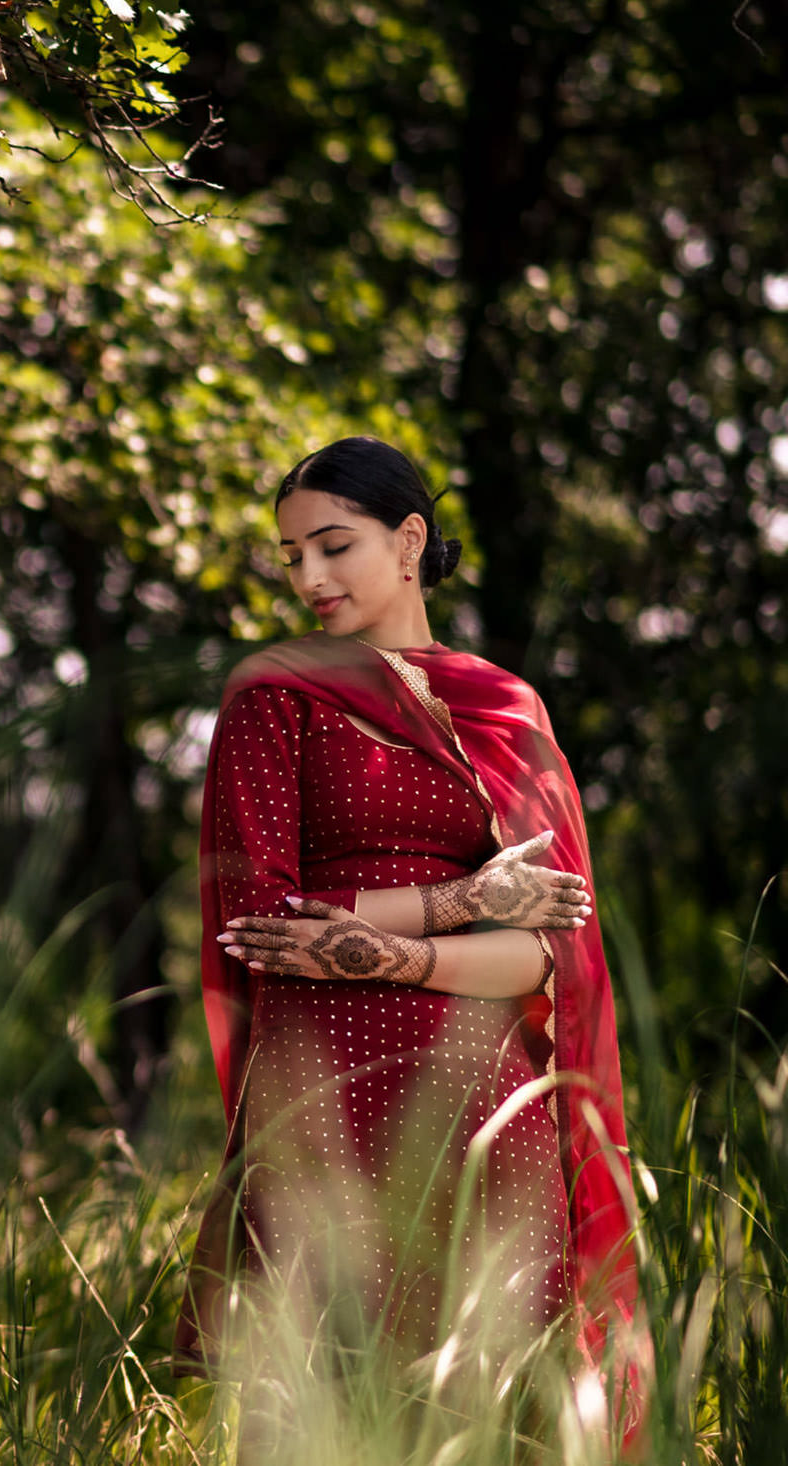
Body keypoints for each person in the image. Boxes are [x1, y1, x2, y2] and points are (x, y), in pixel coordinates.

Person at [175, 436, 646, 1438]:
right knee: (324, 1412)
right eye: (291, 555)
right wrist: (463, 895)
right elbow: (262, 924)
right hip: (324, 1106)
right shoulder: (276, 695)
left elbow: (543, 954)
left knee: (492, 1413)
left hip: (486, 1117)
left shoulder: (507, 709)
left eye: (332, 545)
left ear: (409, 539)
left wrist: (388, 935)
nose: (308, 575)